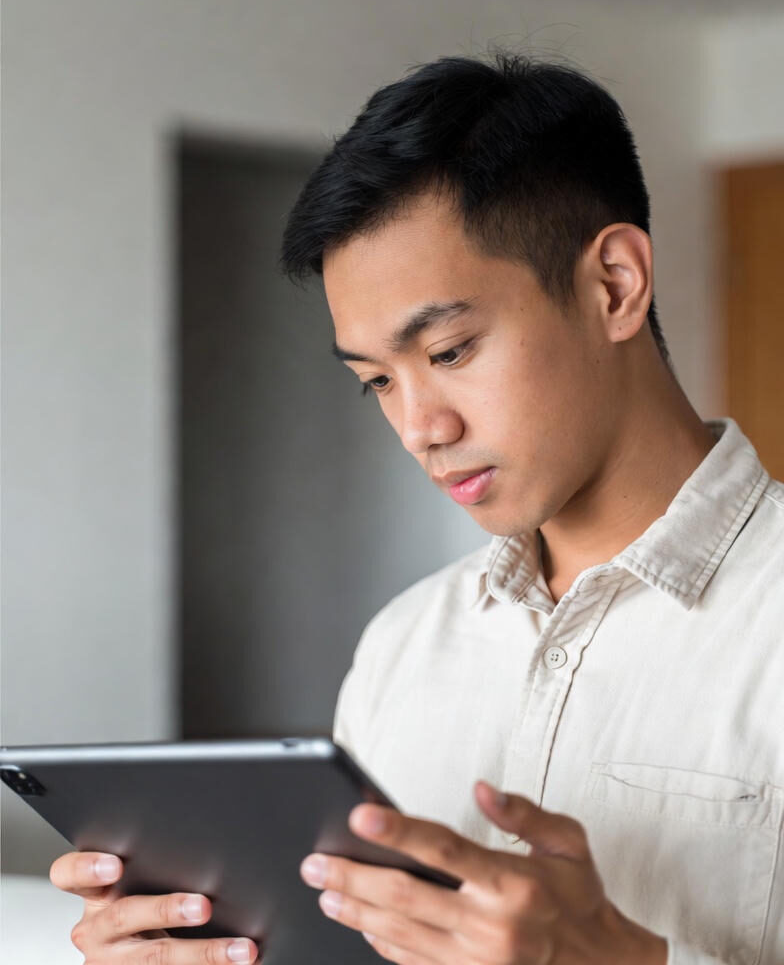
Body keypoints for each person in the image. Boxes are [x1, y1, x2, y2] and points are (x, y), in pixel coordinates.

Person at [50, 53, 784, 965]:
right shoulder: (404, 646)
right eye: (375, 384)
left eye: (449, 349)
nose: (418, 427)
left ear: (615, 286)